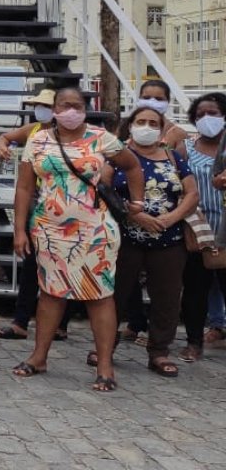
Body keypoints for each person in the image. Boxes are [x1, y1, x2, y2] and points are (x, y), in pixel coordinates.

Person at [11, 86, 144, 392]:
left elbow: (132, 165)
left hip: (94, 229)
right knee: (50, 294)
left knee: (99, 296)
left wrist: (136, 201)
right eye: (64, 105)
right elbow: (24, 188)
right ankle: (39, 356)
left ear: (85, 108)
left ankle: (105, 366)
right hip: (49, 228)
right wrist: (19, 229)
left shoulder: (102, 138)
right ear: (54, 108)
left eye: (76, 105)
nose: (70, 110)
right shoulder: (38, 139)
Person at [102, 106, 197, 377]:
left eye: (153, 123)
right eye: (141, 121)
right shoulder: (117, 156)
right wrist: (137, 216)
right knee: (114, 295)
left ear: (162, 128)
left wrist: (172, 218)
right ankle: (106, 347)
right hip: (125, 238)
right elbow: (104, 188)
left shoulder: (174, 157)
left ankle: (159, 352)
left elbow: (191, 193)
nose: (147, 127)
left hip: (169, 239)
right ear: (130, 126)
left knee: (166, 298)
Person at [0, 88, 73, 341]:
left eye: (47, 106)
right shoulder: (35, 130)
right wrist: (2, 144)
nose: (43, 110)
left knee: (66, 266)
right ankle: (21, 320)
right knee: (32, 265)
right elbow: (6, 136)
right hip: (40, 203)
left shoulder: (74, 136)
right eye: (39, 105)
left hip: (69, 206)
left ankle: (61, 323)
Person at [175, 92, 226, 362]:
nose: (207, 119)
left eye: (214, 113)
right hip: (199, 229)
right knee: (195, 289)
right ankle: (194, 342)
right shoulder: (186, 149)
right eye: (201, 114)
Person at [135, 80, 190, 148]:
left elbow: (184, 158)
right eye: (146, 98)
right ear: (139, 99)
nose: (152, 102)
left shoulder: (177, 134)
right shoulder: (124, 128)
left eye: (159, 99)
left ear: (168, 101)